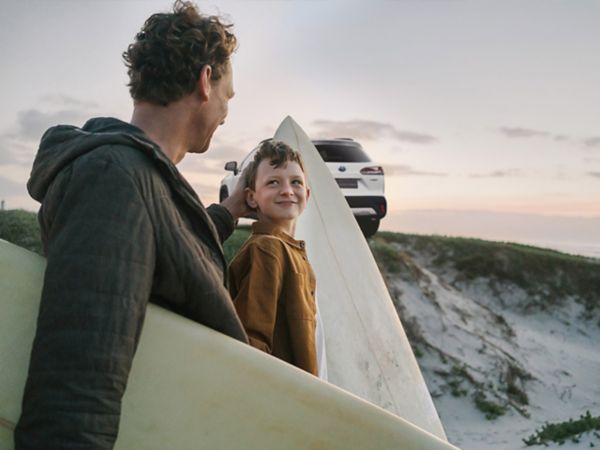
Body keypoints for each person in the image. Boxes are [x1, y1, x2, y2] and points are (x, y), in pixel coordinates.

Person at [15, 1, 250, 448]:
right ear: (205, 81)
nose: (226, 112)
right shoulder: (115, 178)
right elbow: (74, 398)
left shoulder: (138, 177)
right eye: (228, 96)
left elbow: (172, 245)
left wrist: (230, 211)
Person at [228, 140, 321, 376]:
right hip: (278, 399)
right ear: (251, 198)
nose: (287, 190)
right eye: (273, 182)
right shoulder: (266, 249)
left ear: (307, 195)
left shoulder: (293, 252)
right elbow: (253, 341)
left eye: (296, 182)